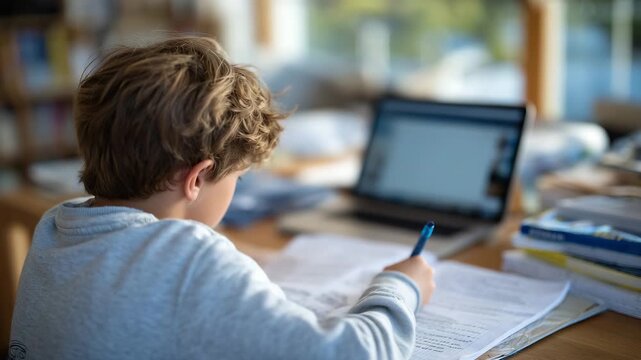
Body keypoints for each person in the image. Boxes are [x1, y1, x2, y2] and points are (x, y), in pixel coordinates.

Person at [8, 37, 435, 360]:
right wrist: (401, 287)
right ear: (197, 178)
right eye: (238, 179)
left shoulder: (56, 227)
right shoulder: (187, 257)